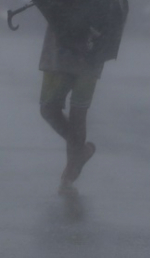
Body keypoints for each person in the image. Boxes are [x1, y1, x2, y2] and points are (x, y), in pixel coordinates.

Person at [38, 17, 105, 197]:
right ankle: (78, 154)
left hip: (88, 50)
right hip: (66, 48)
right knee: (49, 108)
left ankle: (72, 168)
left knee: (77, 111)